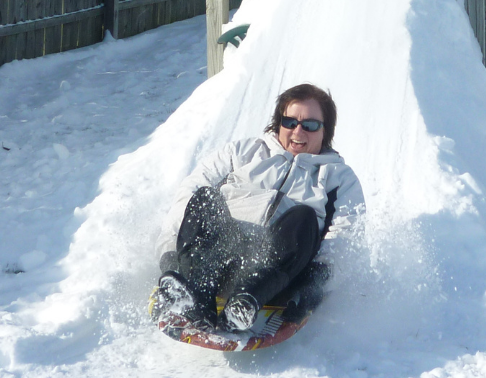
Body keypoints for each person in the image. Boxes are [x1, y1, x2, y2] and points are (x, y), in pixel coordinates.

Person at [150, 83, 365, 332]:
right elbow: (188, 194)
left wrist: (315, 283)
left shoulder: (339, 176)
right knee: (203, 197)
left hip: (273, 272)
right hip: (216, 257)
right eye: (290, 122)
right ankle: (196, 296)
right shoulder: (243, 152)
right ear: (278, 123)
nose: (298, 131)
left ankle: (245, 302)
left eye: (310, 125)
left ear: (325, 131)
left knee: (304, 217)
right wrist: (170, 259)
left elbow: (345, 235)